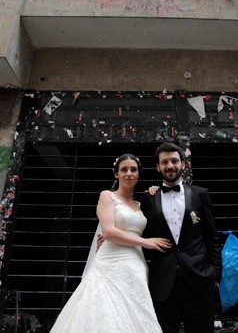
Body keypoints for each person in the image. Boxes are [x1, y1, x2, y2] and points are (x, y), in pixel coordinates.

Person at [50, 154, 172, 332]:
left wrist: (155, 190)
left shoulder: (142, 203)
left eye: (133, 170)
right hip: (110, 263)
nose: (129, 173)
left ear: (139, 175)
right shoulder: (107, 196)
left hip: (136, 265)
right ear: (116, 174)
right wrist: (146, 242)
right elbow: (108, 231)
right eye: (124, 169)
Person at [141, 142, 221, 333]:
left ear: (183, 164)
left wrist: (215, 272)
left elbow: (212, 236)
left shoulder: (201, 194)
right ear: (158, 167)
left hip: (199, 278)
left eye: (175, 161)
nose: (170, 165)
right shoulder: (148, 199)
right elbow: (138, 234)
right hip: (163, 282)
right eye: (165, 162)